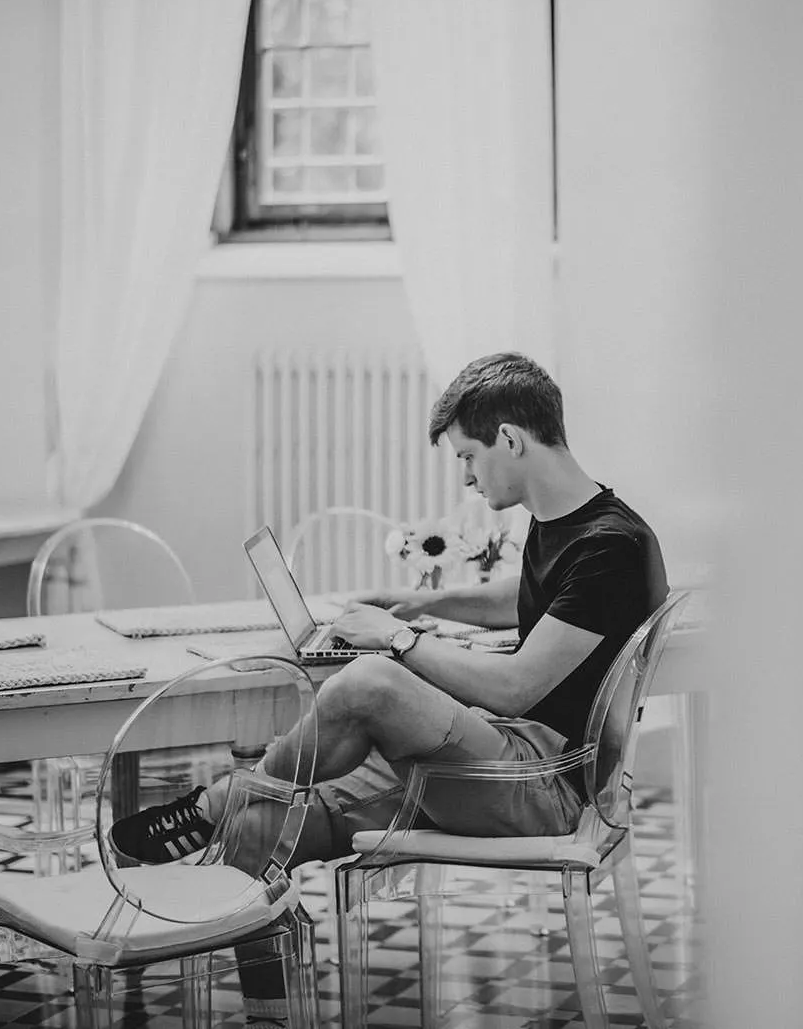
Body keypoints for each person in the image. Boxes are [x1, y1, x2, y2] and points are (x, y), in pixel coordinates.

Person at [110, 351, 669, 1028]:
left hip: (549, 782)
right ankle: (272, 1013)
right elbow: (525, 603)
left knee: (373, 681)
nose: (466, 476)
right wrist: (408, 604)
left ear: (511, 440)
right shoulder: (569, 523)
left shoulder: (610, 546)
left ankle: (216, 800)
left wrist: (397, 640)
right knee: (260, 831)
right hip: (505, 763)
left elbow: (519, 686)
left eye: (469, 457)